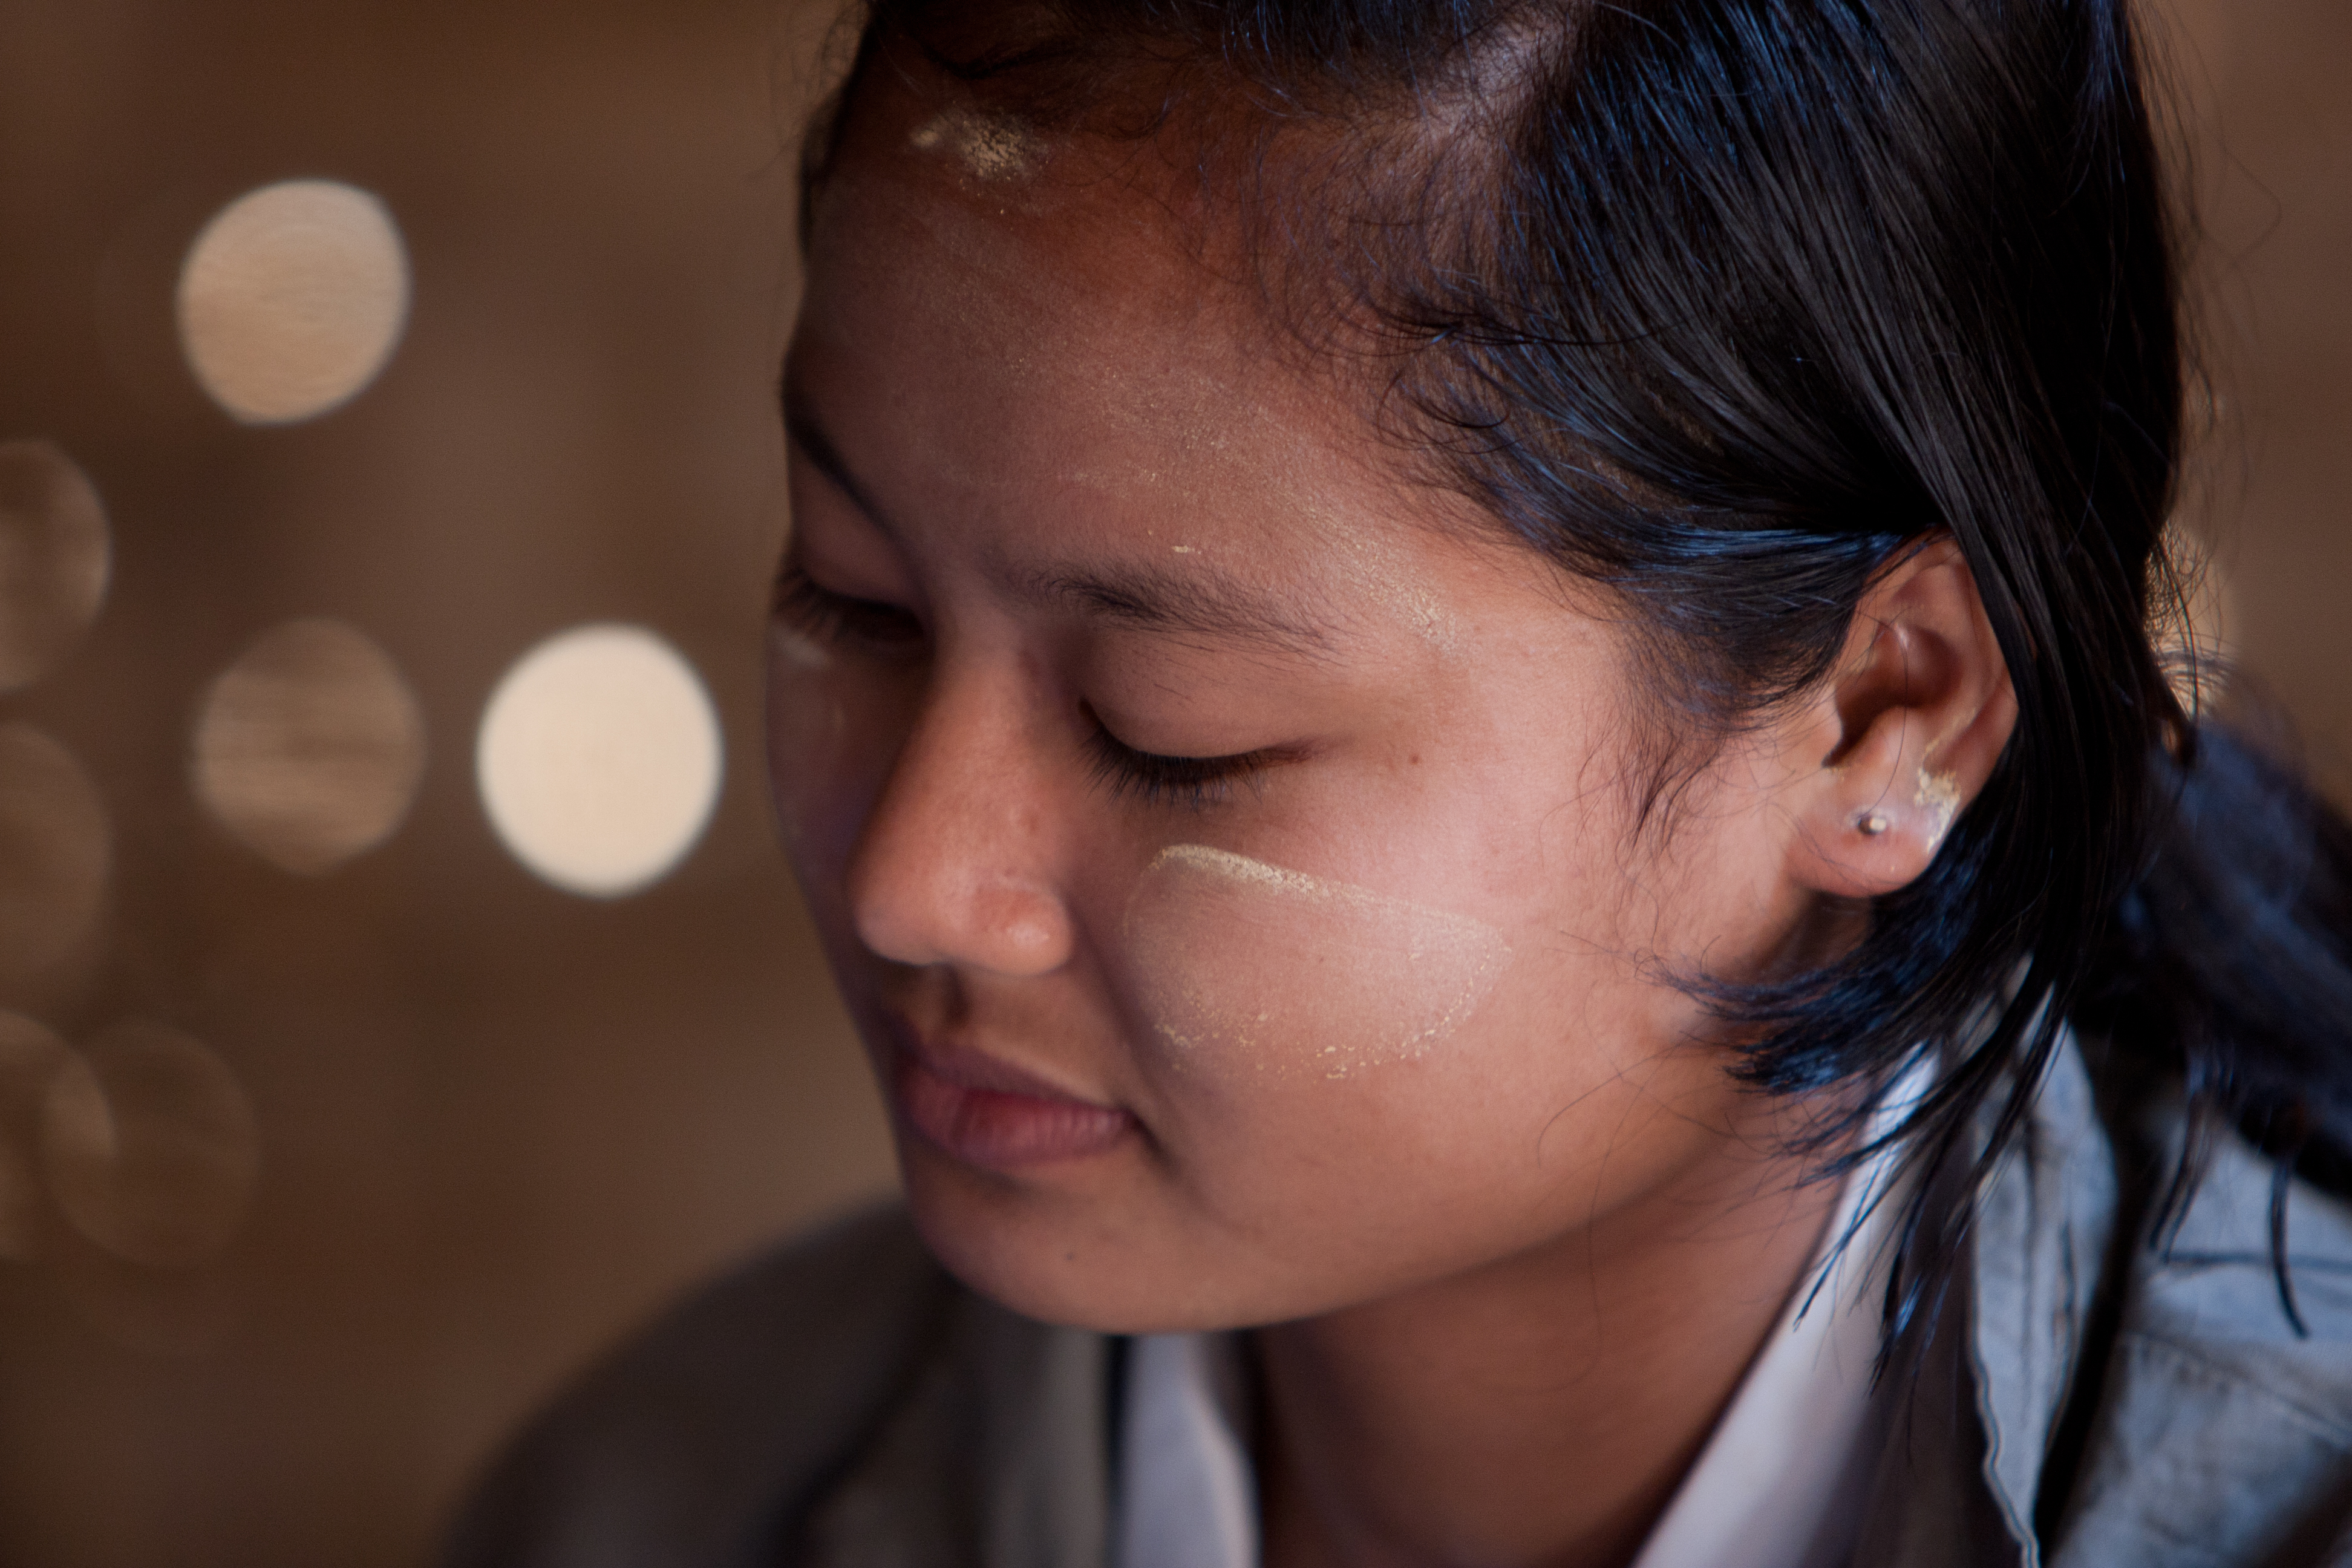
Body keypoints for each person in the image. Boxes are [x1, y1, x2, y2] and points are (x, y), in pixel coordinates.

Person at [446, 1, 2352, 1564]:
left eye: (1167, 727)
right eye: (854, 603)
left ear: (1886, 714)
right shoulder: (658, 1505)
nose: (913, 881)